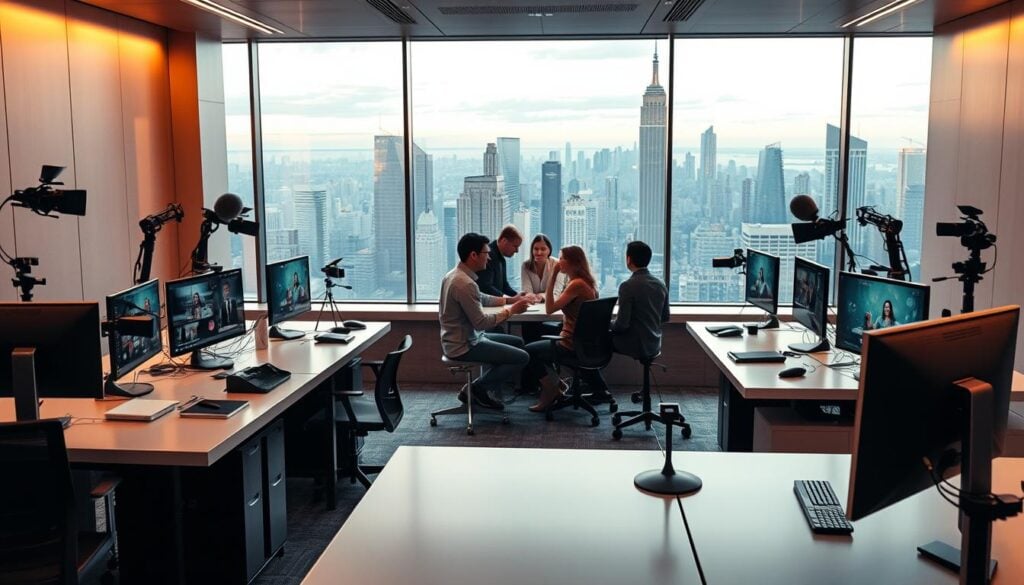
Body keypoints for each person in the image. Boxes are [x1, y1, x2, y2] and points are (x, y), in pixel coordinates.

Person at [439, 233, 531, 409]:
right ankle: (476, 389)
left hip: (464, 339)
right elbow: (482, 323)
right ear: (473, 255)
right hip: (464, 346)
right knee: (522, 357)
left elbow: (481, 297)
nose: (489, 258)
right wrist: (512, 310)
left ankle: (485, 392)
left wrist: (509, 300)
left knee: (517, 342)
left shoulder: (455, 275)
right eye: (486, 253)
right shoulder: (464, 284)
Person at [523, 246, 607, 412]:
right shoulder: (588, 283)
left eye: (562, 258)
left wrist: (553, 275)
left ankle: (552, 390)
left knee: (528, 352)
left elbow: (549, 309)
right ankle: (557, 384)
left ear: (574, 263)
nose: (558, 261)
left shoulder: (576, 285)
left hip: (569, 343)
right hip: (583, 342)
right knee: (543, 336)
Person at [610, 241, 670, 360]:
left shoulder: (627, 286)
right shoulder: (660, 284)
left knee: (597, 340)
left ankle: (592, 375)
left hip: (635, 345)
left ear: (628, 259)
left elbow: (622, 325)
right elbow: (665, 317)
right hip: (654, 344)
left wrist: (607, 323)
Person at [476, 224, 527, 299]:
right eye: (515, 246)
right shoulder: (488, 255)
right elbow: (486, 287)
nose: (517, 251)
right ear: (504, 241)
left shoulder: (500, 257)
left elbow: (504, 286)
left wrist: (519, 297)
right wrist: (509, 299)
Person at [520, 234, 567, 302]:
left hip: (554, 304)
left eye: (543, 249)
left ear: (549, 250)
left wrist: (541, 297)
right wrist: (532, 297)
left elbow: (556, 292)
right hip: (533, 304)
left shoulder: (557, 264)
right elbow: (527, 292)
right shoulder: (525, 266)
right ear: (532, 250)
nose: (539, 252)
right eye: (536, 249)